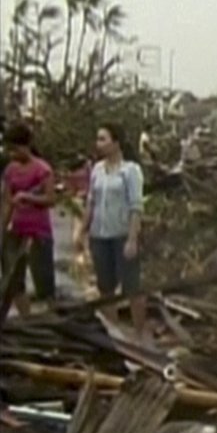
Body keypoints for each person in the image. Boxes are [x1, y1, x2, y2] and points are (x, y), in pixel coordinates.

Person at [78, 123, 147, 337]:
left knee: (131, 286)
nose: (98, 144)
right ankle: (114, 332)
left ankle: (139, 332)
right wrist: (82, 230)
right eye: (98, 139)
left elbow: (136, 206)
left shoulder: (130, 171)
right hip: (100, 235)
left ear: (116, 143)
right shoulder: (97, 169)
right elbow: (91, 202)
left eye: (103, 139)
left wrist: (132, 239)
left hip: (122, 235)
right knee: (105, 286)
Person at [0, 122, 56, 316]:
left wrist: (27, 197)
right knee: (15, 282)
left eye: (14, 150)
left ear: (24, 146)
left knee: (44, 283)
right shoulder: (10, 171)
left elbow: (51, 199)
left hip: (38, 233)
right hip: (16, 232)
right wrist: (2, 229)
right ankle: (27, 321)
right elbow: (7, 203)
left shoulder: (43, 170)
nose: (12, 155)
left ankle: (55, 323)